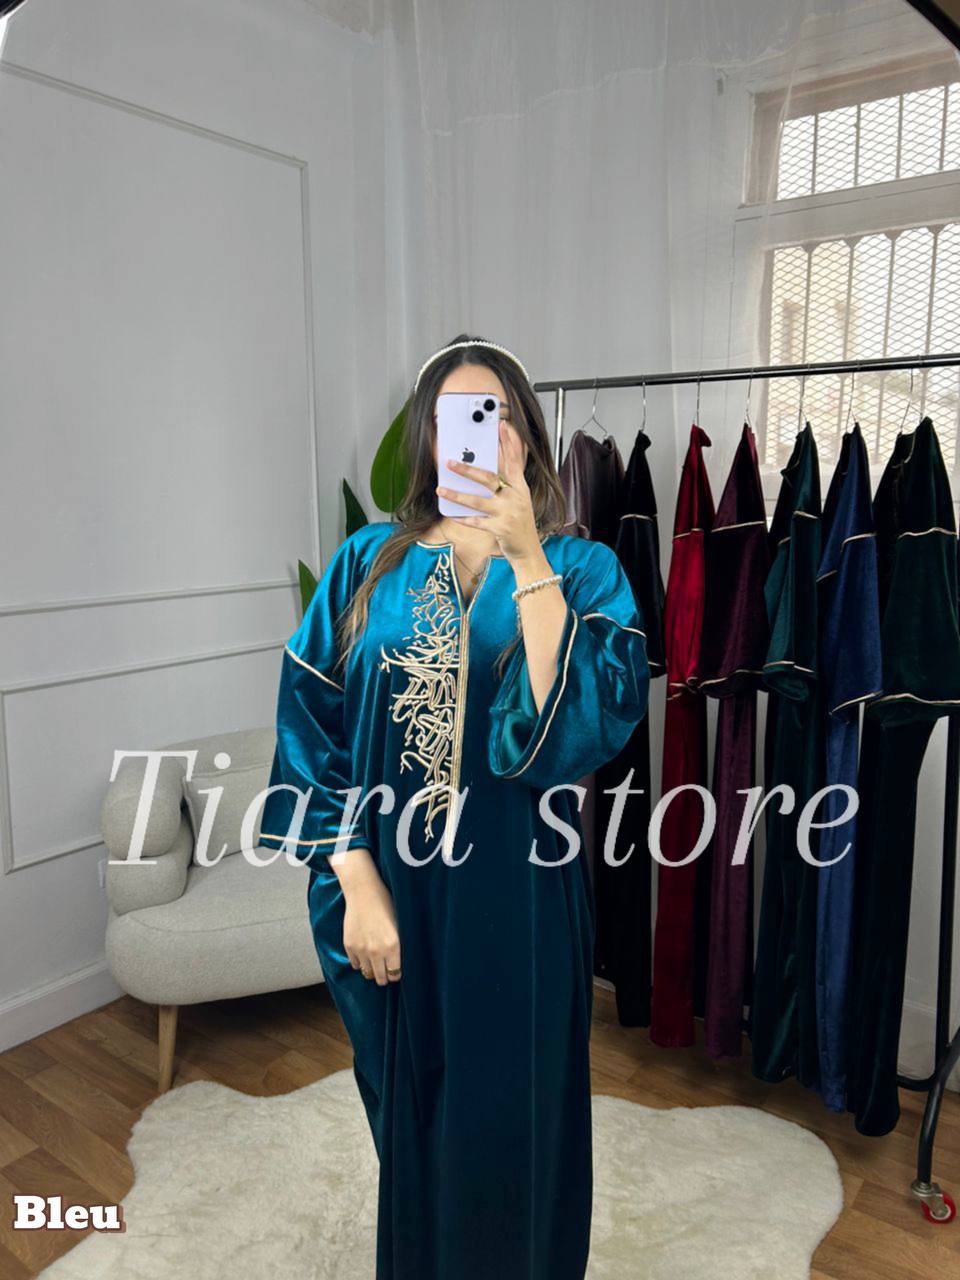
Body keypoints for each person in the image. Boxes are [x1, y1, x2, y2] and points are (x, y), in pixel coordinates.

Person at [259, 333, 650, 1280]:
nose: (480, 433)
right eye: (457, 416)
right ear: (429, 437)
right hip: (396, 891)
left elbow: (584, 729)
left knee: (518, 1119)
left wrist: (527, 557)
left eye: (498, 414)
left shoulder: (583, 568)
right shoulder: (366, 563)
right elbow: (310, 721)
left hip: (523, 897)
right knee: (419, 1120)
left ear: (527, 436)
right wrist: (356, 882)